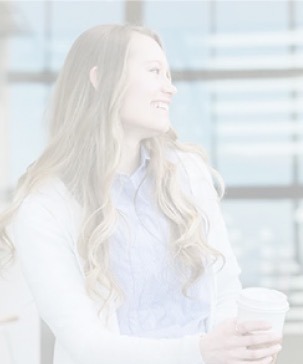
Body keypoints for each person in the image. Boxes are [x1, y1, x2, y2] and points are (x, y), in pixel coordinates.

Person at [0, 24, 283, 364]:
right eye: (155, 72)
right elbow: (84, 343)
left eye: (169, 74)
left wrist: (234, 348)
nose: (171, 88)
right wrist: (201, 351)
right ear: (101, 78)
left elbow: (225, 288)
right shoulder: (45, 206)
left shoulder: (188, 174)